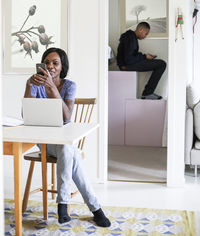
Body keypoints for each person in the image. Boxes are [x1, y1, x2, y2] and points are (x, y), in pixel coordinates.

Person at [24, 47, 111, 227]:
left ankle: (67, 204)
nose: (50, 66)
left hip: (64, 140)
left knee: (67, 148)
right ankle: (91, 209)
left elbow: (67, 117)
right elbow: (26, 114)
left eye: (55, 63)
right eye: (47, 62)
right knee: (70, 151)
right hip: (45, 142)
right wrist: (28, 86)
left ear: (62, 66)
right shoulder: (34, 84)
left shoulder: (69, 86)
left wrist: (53, 90)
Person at [117, 22, 166, 100]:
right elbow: (129, 59)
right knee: (162, 64)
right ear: (140, 29)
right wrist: (145, 57)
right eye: (146, 33)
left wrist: (145, 57)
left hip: (126, 64)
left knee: (160, 64)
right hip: (127, 66)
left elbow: (130, 56)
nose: (145, 36)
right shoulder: (130, 37)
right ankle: (147, 93)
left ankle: (148, 93)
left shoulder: (130, 36)